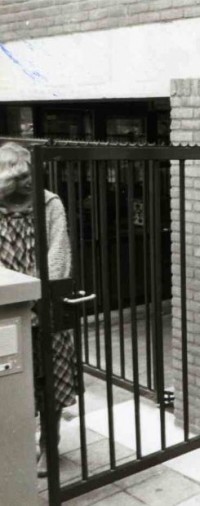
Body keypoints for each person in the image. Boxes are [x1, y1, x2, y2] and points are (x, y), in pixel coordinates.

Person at [0, 142, 77, 478]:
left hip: (47, 313)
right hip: (6, 315)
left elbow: (59, 258)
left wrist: (34, 297)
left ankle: (50, 447)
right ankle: (17, 447)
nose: (29, 181)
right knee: (12, 386)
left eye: (31, 173)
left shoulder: (50, 203)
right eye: (21, 176)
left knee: (53, 388)